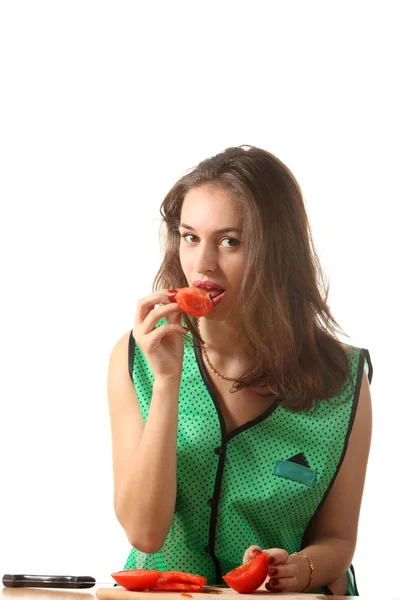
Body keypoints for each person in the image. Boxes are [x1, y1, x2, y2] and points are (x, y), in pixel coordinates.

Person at [107, 145, 372, 596]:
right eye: (190, 237)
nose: (203, 264)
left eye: (230, 241)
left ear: (277, 253)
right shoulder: (139, 358)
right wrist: (169, 383)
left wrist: (298, 568)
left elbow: (339, 539)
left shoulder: (342, 379)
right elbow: (144, 534)